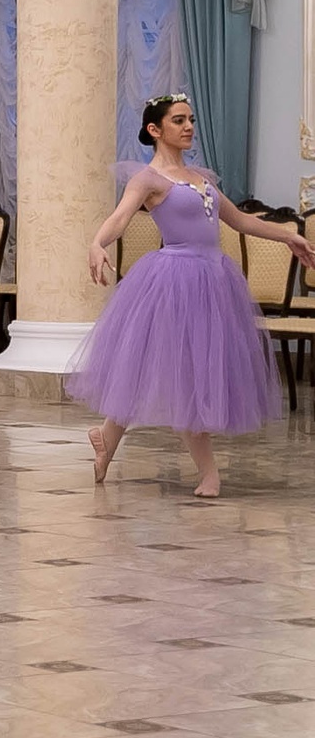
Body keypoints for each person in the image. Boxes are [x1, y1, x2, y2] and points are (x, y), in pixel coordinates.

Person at [72, 93, 314, 498]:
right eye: (179, 120)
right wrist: (98, 243)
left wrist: (288, 236)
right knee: (187, 374)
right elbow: (120, 218)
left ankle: (106, 439)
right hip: (174, 282)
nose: (188, 127)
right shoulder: (147, 180)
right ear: (155, 129)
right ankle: (209, 473)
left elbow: (240, 221)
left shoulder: (201, 178)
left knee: (168, 369)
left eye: (191, 120)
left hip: (213, 280)